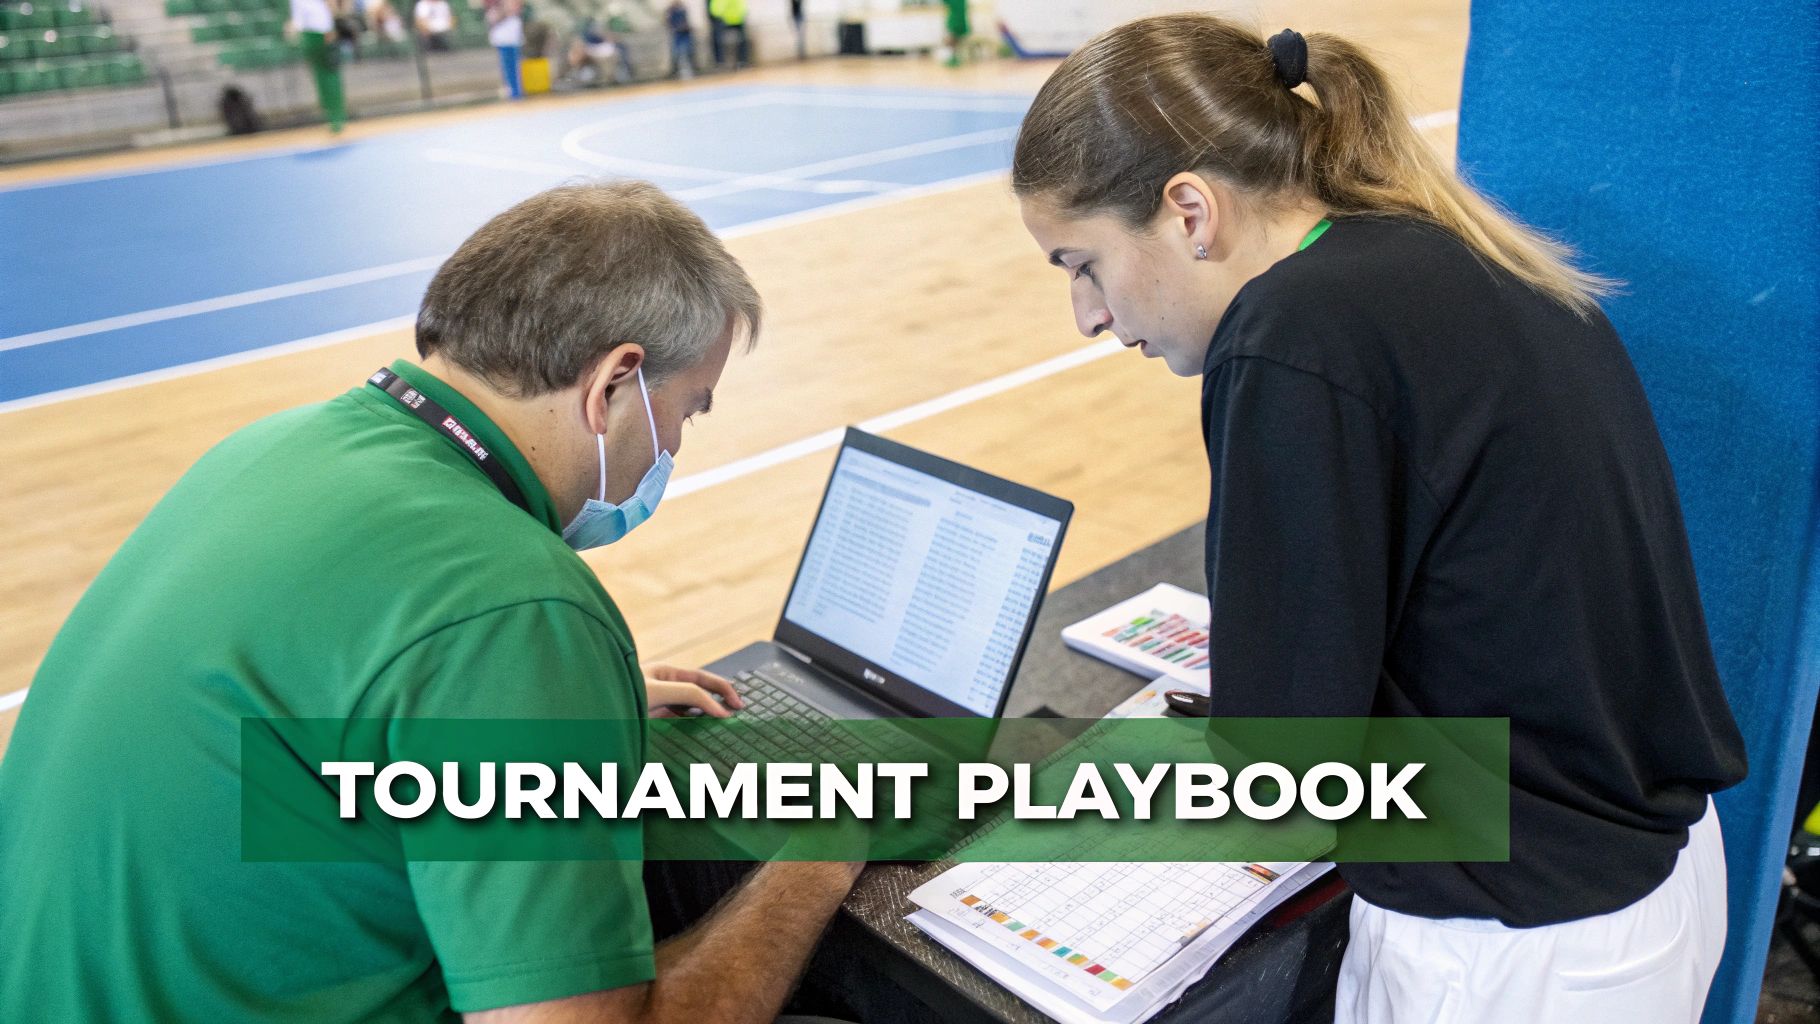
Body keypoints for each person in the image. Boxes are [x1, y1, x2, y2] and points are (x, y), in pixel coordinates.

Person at [1011, 14, 1746, 1024]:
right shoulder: (1422, 250)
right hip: (1634, 881)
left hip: (1514, 942)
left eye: (1080, 264)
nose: (1086, 318)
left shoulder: (1289, 335)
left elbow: (1281, 768)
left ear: (1188, 211)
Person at [0, 181, 865, 1023]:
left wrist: (546, 708)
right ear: (613, 385)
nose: (675, 444)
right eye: (689, 410)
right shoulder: (512, 605)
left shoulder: (270, 449)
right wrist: (823, 858)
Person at [288, 0, 345, 132]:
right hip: (313, 32)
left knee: (328, 76)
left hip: (320, 31)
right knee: (323, 76)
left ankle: (336, 116)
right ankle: (333, 115)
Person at [486, 0, 525, 98]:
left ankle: (516, 91)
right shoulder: (495, 6)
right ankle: (512, 91)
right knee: (507, 67)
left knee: (515, 66)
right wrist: (505, 10)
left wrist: (513, 8)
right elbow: (492, 19)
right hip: (503, 39)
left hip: (513, 38)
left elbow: (517, 8)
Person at [708, 0, 746, 70]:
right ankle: (740, 61)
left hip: (726, 22)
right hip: (737, 20)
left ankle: (726, 63)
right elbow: (743, 7)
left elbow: (715, 10)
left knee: (726, 44)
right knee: (738, 43)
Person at [666, 0, 693, 78]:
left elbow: (686, 21)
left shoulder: (683, 9)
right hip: (677, 34)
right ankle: (678, 71)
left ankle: (688, 70)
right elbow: (669, 23)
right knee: (677, 53)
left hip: (685, 33)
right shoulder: (671, 10)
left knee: (687, 51)